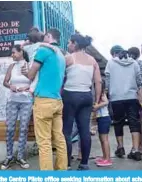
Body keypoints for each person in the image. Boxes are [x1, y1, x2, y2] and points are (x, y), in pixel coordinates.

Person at [21, 28, 67, 170]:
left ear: (48, 36)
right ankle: (62, 170)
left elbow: (30, 75)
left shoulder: (43, 51)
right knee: (59, 139)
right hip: (57, 101)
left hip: (43, 101)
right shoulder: (61, 54)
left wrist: (25, 72)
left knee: (44, 142)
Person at [62, 34, 102, 170]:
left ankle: (66, 164)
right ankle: (84, 163)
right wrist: (96, 100)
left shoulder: (68, 58)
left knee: (66, 131)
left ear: (75, 44)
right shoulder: (93, 61)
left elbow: (60, 77)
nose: (68, 45)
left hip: (70, 95)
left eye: (69, 43)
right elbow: (98, 81)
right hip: (86, 96)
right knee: (84, 130)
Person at [105, 45, 142, 161]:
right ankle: (135, 150)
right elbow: (139, 80)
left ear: (113, 54)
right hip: (132, 97)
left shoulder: (110, 63)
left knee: (118, 122)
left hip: (116, 97)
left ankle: (120, 147)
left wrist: (108, 92)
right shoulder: (134, 63)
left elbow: (107, 79)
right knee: (134, 122)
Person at [1, 45, 33, 170]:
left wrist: (27, 88)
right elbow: (5, 82)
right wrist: (10, 86)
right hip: (12, 101)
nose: (12, 55)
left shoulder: (29, 66)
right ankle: (9, 156)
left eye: (14, 53)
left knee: (24, 129)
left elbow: (34, 82)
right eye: (11, 53)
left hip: (26, 101)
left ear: (21, 52)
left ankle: (20, 157)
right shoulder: (12, 66)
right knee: (9, 129)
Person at [93, 81, 112, 167]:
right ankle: (104, 156)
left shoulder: (103, 95)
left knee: (104, 139)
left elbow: (106, 102)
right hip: (100, 118)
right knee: (101, 139)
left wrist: (97, 106)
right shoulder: (97, 96)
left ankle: (107, 159)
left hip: (104, 118)